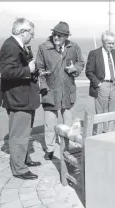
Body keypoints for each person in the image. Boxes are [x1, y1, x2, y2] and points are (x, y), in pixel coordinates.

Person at [35, 21, 85, 160]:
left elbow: (81, 63)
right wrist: (44, 87)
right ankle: (50, 149)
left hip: (68, 91)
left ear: (66, 36)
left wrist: (75, 69)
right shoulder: (43, 48)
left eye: (60, 35)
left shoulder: (73, 47)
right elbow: (39, 69)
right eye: (55, 34)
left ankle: (66, 147)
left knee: (68, 123)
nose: (56, 37)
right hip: (50, 92)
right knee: (50, 124)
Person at [0, 18, 41, 180]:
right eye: (31, 32)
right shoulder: (10, 46)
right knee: (19, 135)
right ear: (22, 32)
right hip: (18, 99)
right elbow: (7, 73)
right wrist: (28, 69)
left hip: (24, 97)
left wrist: (33, 71)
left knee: (24, 133)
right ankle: (19, 169)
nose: (33, 36)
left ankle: (22, 159)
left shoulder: (17, 45)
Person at [85, 31, 115, 134]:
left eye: (113, 43)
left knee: (112, 112)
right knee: (101, 113)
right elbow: (89, 72)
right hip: (102, 85)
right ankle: (101, 133)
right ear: (103, 42)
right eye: (109, 43)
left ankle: (110, 133)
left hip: (114, 86)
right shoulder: (94, 54)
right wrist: (99, 84)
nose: (111, 46)